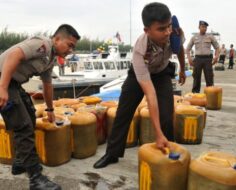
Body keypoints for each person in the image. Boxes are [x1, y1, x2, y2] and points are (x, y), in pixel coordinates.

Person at [93, 2, 186, 169]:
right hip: (139, 75)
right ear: (147, 30)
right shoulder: (140, 49)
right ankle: (112, 154)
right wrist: (156, 133)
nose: (167, 32)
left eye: (168, 27)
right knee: (123, 112)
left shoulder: (175, 33)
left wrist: (182, 70)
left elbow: (179, 49)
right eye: (161, 29)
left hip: (162, 73)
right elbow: (149, 94)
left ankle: (169, 153)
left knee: (166, 114)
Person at [0, 24, 80, 190]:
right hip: (3, 79)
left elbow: (47, 85)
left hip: (13, 83)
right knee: (23, 125)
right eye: (69, 45)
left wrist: (50, 110)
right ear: (57, 39)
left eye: (73, 47)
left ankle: (21, 162)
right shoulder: (42, 45)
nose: (70, 50)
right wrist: (2, 87)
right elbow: (14, 55)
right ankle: (36, 179)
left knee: (30, 115)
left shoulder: (50, 59)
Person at [186, 20, 219, 93]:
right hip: (198, 59)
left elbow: (217, 47)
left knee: (209, 78)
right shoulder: (194, 37)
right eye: (203, 27)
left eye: (205, 27)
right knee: (196, 77)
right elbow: (188, 49)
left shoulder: (210, 37)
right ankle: (195, 93)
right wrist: (189, 58)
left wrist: (216, 57)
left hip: (207, 59)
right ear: (199, 27)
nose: (204, 28)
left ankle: (210, 94)